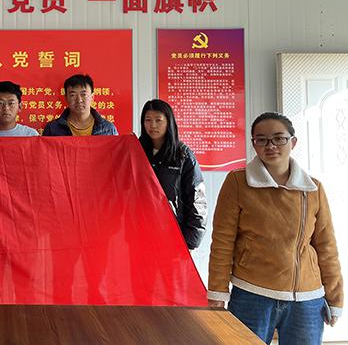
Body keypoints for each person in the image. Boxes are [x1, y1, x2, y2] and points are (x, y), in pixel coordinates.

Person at [208, 112, 343, 344]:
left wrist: (335, 296)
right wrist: (217, 292)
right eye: (261, 140)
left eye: (279, 138)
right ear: (254, 144)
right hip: (251, 294)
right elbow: (222, 241)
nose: (270, 146)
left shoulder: (313, 189)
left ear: (293, 142)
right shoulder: (237, 182)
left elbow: (326, 246)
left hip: (306, 299)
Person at [138, 99, 206, 250]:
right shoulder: (136, 151)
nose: (152, 125)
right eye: (148, 120)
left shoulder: (183, 155)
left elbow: (196, 199)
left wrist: (190, 242)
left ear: (169, 122)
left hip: (173, 236)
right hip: (140, 234)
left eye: (158, 120)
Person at [42, 74, 117, 136]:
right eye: (73, 95)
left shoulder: (108, 129)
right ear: (66, 98)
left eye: (83, 94)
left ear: (92, 97)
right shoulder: (52, 129)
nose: (79, 100)